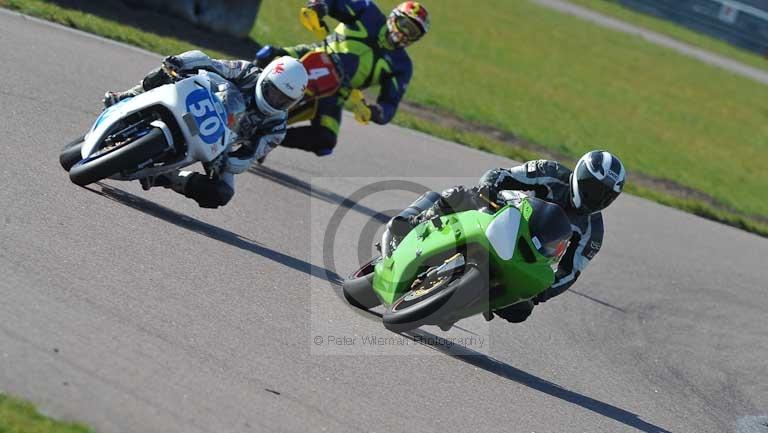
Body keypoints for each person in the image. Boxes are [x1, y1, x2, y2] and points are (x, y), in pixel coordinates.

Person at [383, 151, 626, 323]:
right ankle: (415, 222)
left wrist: (543, 292)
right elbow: (502, 174)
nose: (597, 199)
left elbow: (569, 272)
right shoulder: (550, 173)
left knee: (521, 311)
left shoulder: (593, 232)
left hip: (528, 259)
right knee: (457, 195)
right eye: (593, 189)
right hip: (500, 217)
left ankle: (458, 305)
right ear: (580, 175)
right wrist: (488, 188)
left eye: (605, 196)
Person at [102, 50, 308, 208]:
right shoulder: (247, 71)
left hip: (220, 143)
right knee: (168, 72)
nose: (276, 100)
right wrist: (181, 62)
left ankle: (167, 177)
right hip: (205, 100)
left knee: (222, 192)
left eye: (284, 100)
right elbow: (211, 63)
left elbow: (249, 157)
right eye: (273, 91)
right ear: (267, 77)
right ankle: (129, 95)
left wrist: (226, 161)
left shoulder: (277, 128)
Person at [255, 0, 430, 156]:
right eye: (404, 24)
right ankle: (234, 92)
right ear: (394, 17)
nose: (405, 33)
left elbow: (390, 105)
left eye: (413, 32)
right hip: (311, 57)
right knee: (266, 54)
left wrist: (375, 112)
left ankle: (270, 140)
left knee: (326, 140)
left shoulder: (402, 66)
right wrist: (320, 6)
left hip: (335, 94)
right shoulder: (368, 11)